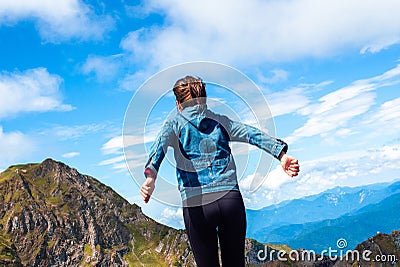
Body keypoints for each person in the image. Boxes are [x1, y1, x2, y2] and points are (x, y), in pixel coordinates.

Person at [140, 76, 299, 267]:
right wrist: (280, 154)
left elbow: (157, 152)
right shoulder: (220, 121)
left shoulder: (173, 124)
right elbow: (250, 134)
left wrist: (150, 178)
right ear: (204, 99)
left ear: (178, 103)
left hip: (197, 205)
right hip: (229, 201)